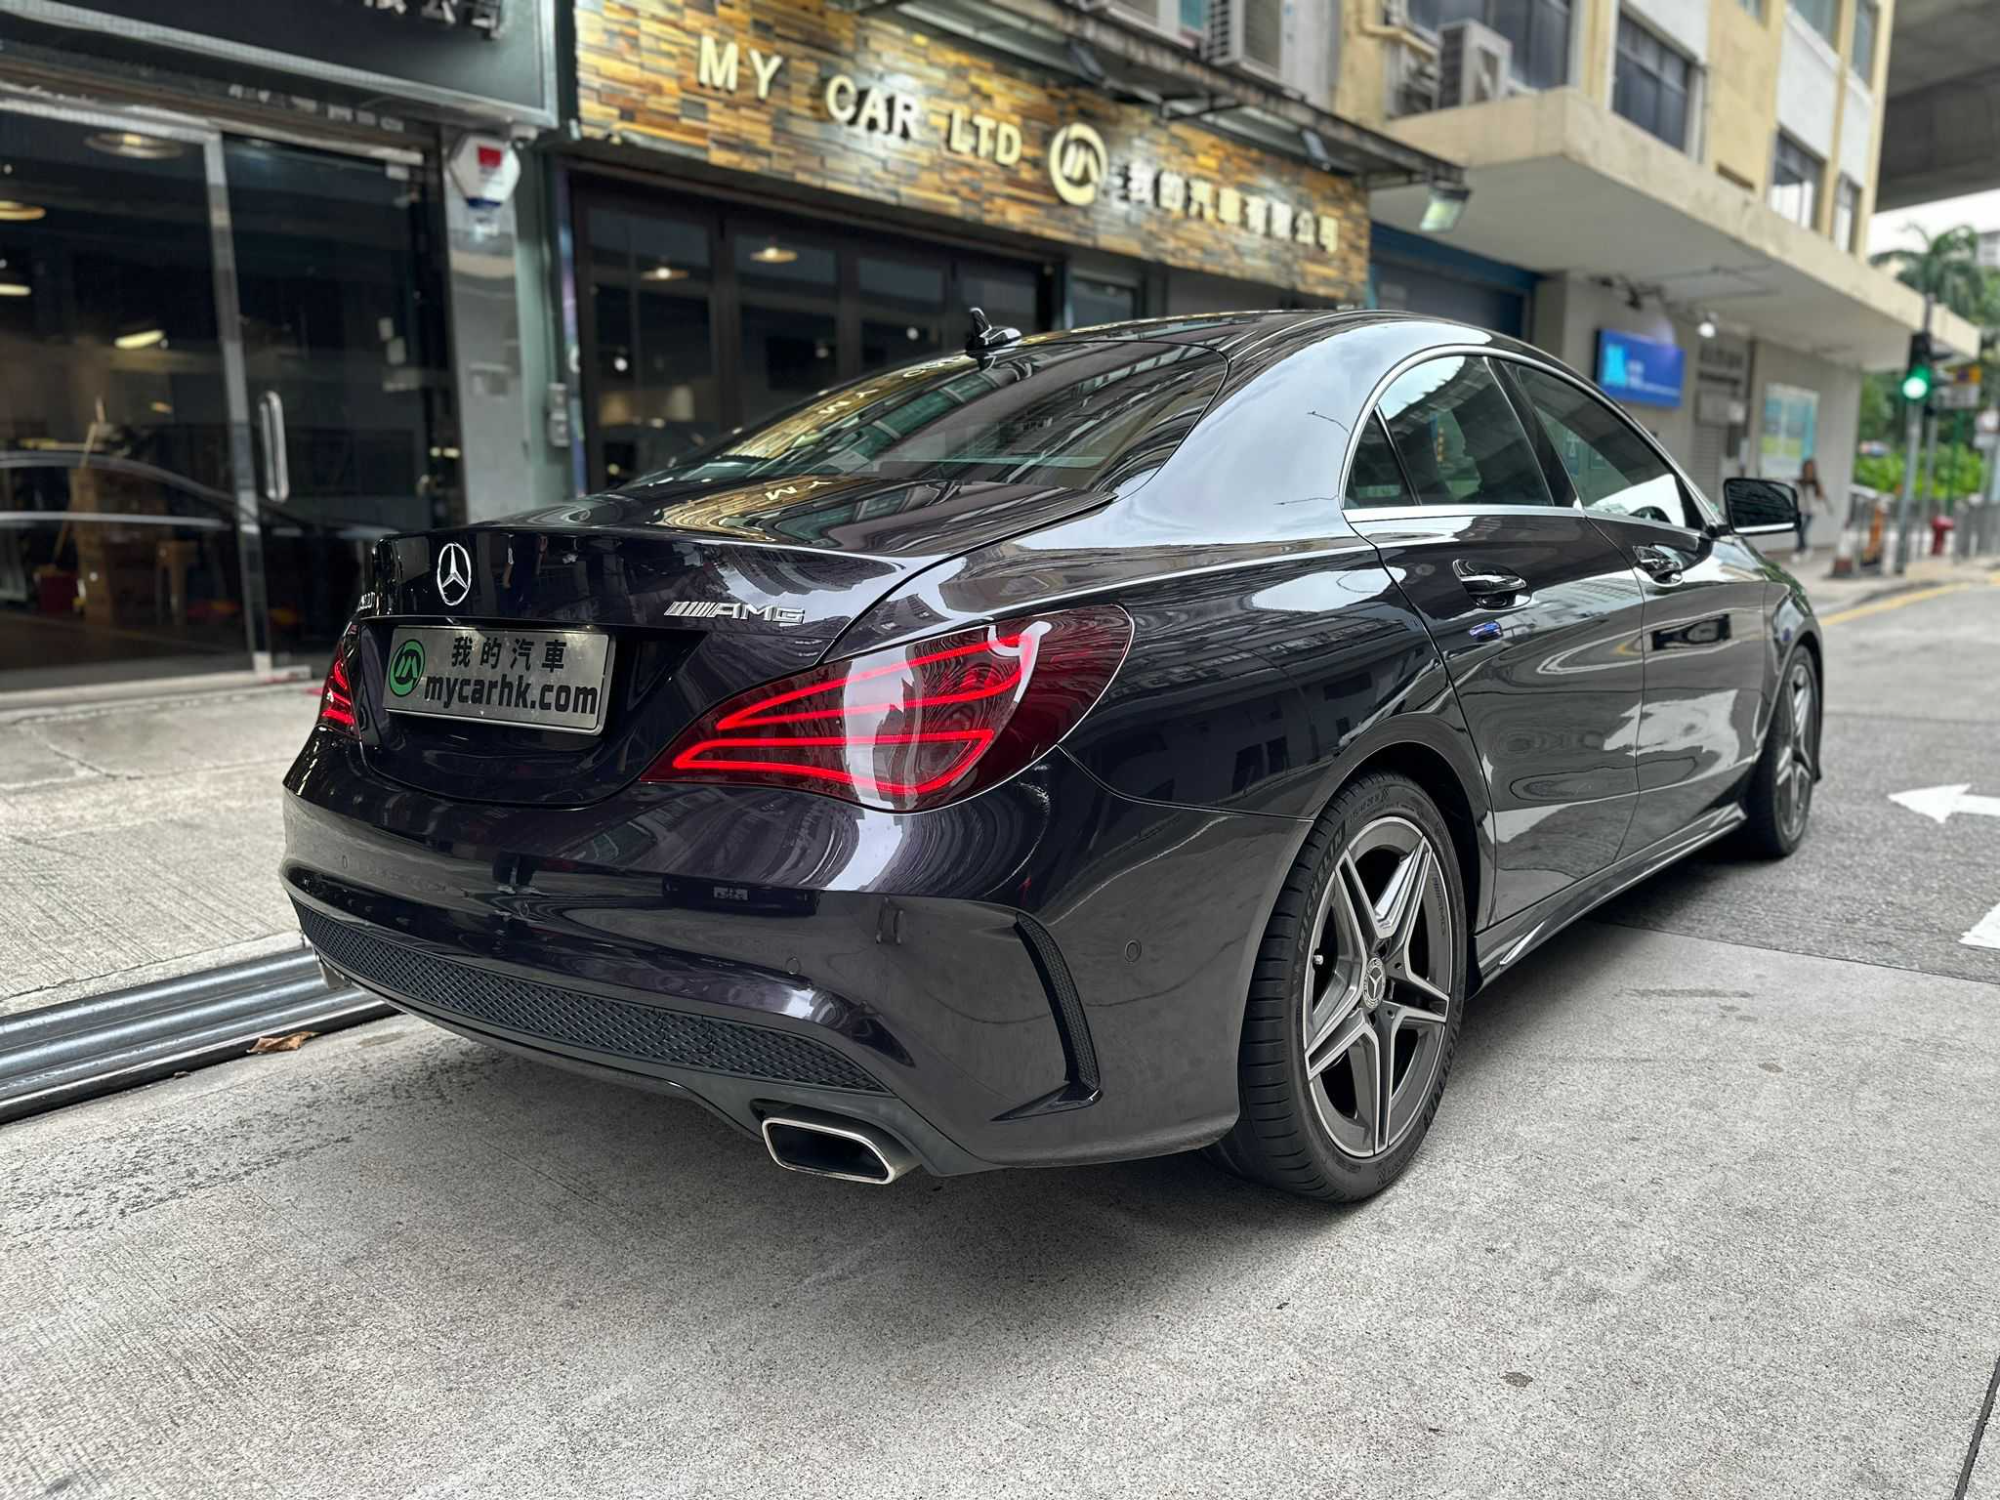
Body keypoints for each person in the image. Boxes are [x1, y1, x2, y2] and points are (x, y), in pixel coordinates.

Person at [1794, 456, 1825, 558]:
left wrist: (1818, 490)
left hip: (1812, 510)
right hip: (1801, 509)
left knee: (1802, 531)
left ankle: (1800, 550)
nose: (1809, 470)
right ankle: (1803, 549)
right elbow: (1797, 494)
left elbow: (1820, 497)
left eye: (1811, 468)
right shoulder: (1799, 481)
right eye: (1807, 467)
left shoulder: (1816, 482)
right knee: (1800, 530)